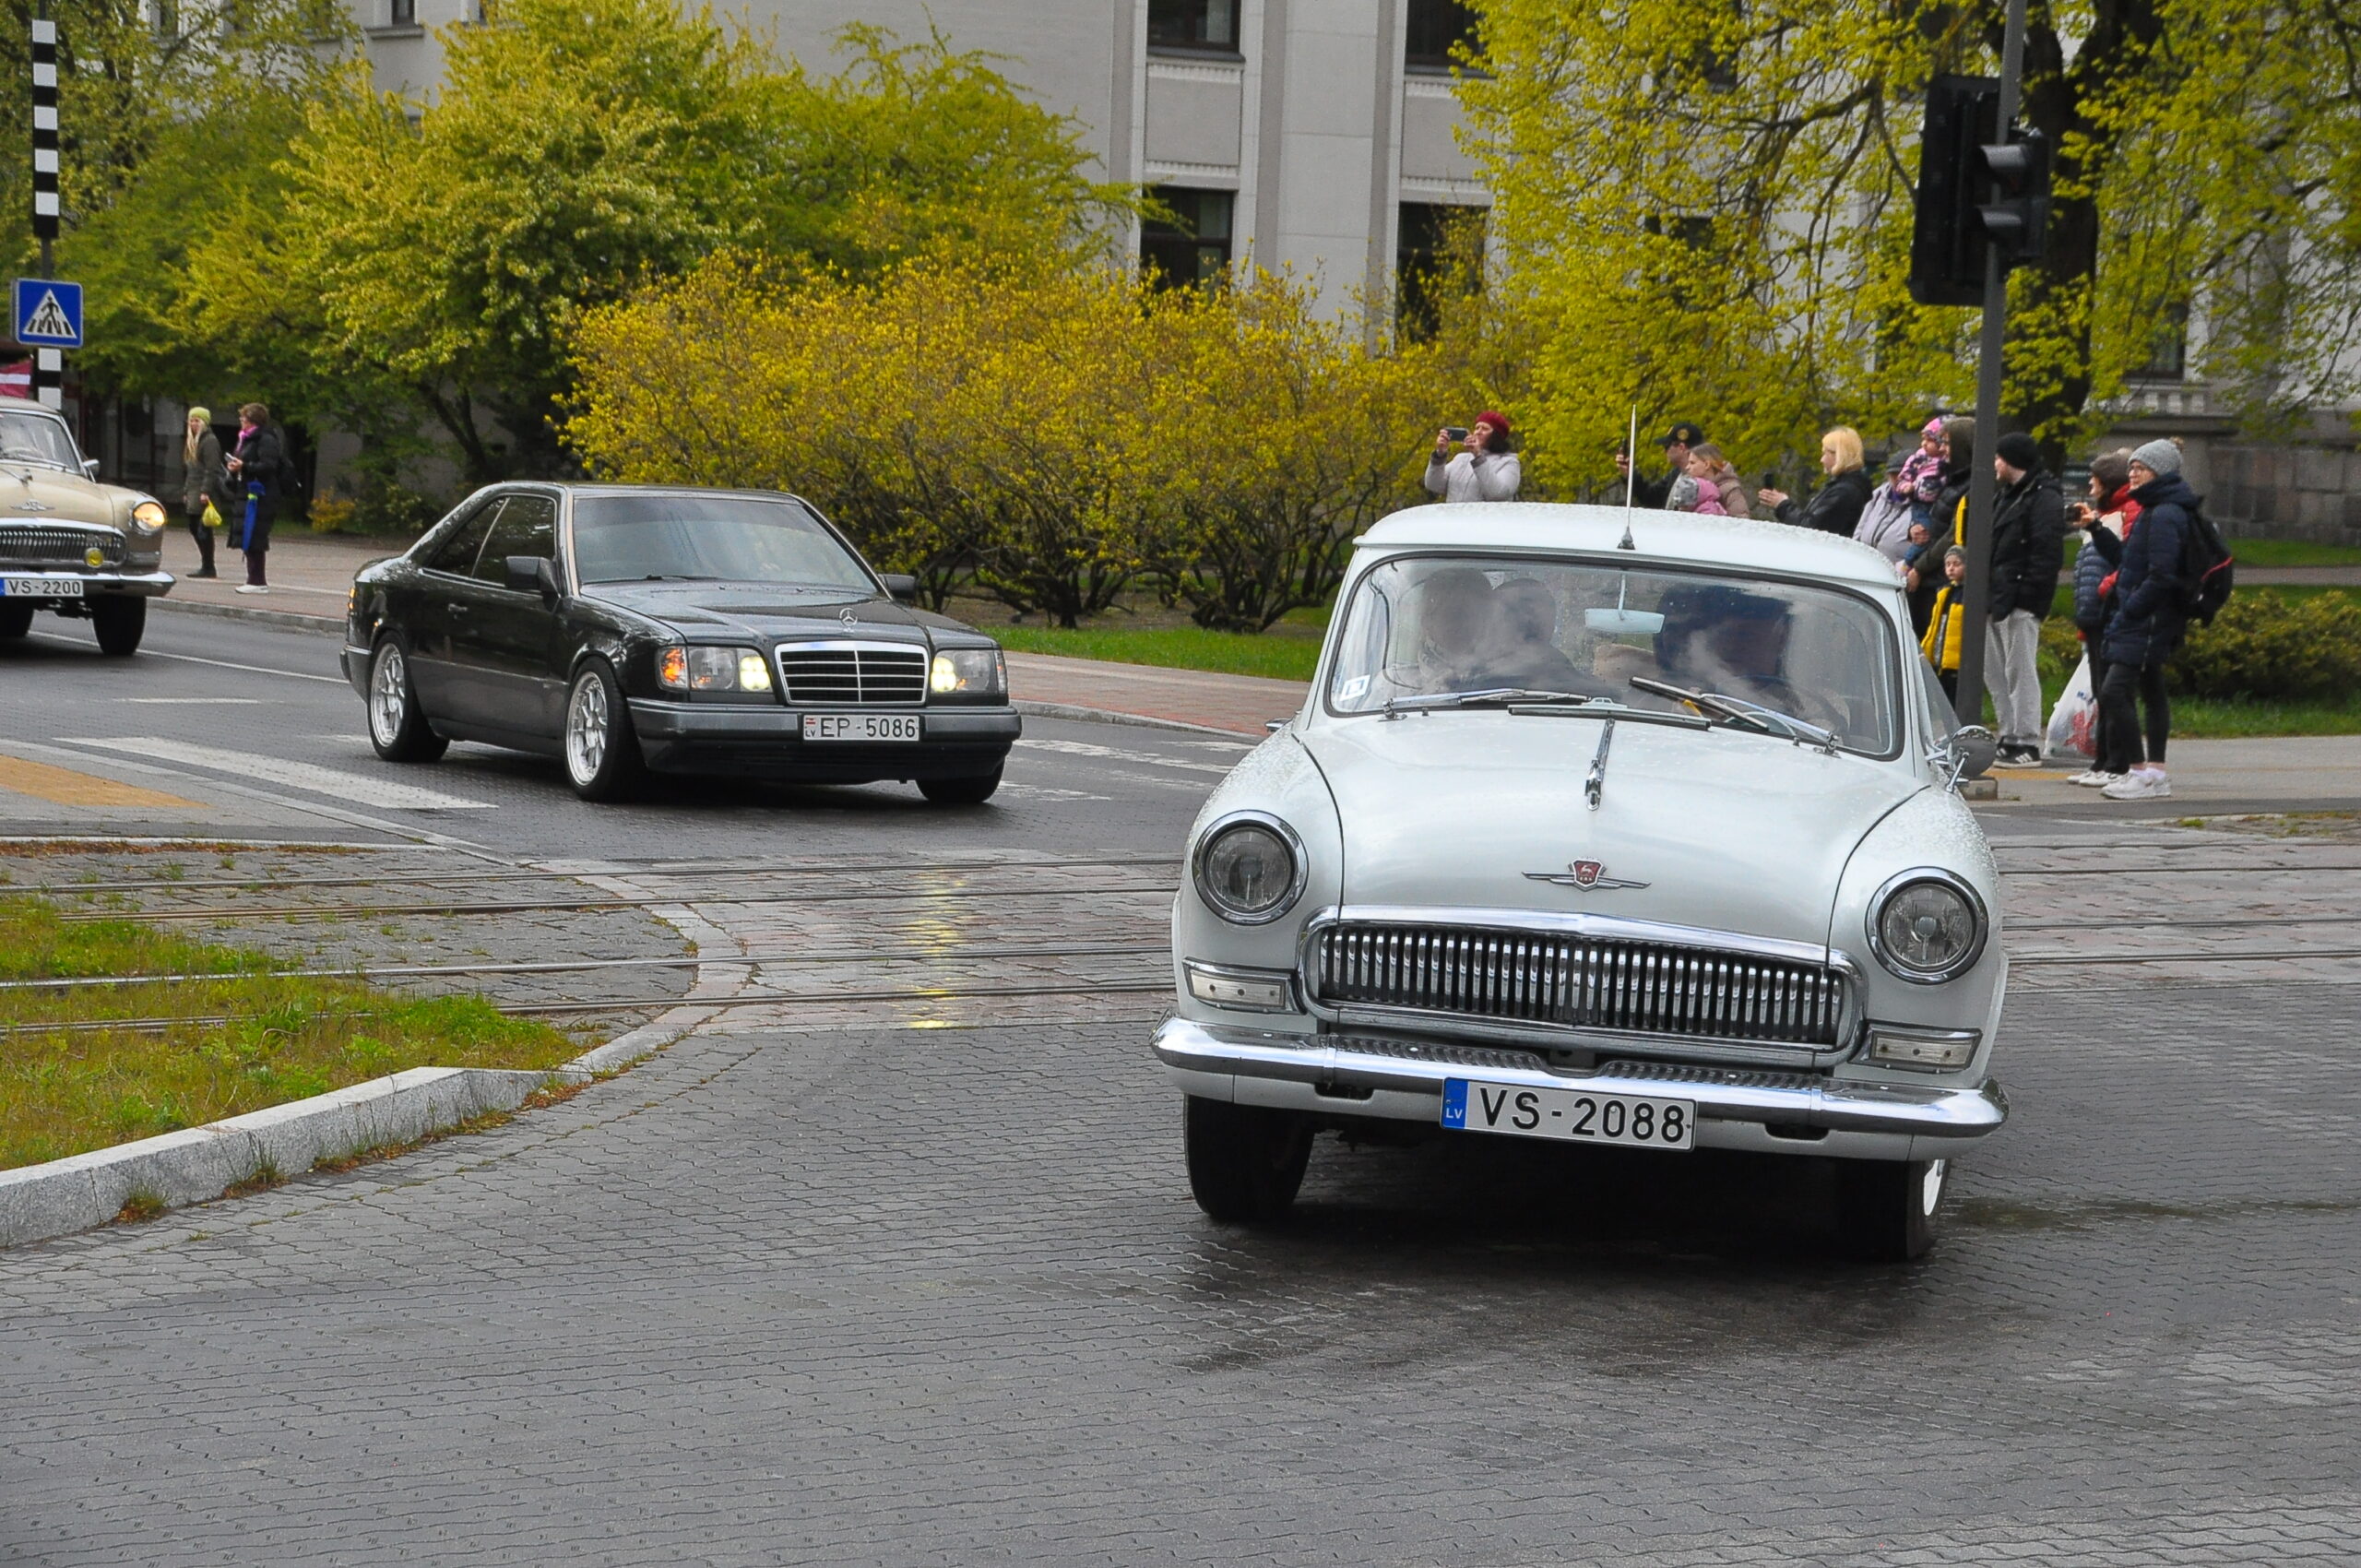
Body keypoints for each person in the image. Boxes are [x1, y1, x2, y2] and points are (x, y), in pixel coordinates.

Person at [2097, 440, 2197, 801]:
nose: (2133, 474)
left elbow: (2161, 573)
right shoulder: (2154, 508)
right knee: (2152, 690)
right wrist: (2096, 530)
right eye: (2132, 467)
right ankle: (2155, 772)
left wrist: (2132, 609)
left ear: (2160, 471)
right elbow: (2130, 561)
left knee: (2113, 691)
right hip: (2146, 615)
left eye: (2140, 468)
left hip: (2148, 618)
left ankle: (2141, 772)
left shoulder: (2165, 513)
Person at [1983, 431, 2068, 767]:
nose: (1994, 464)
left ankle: (2027, 740)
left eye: (1998, 458)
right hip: (1998, 595)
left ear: (2011, 460)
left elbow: (2046, 552)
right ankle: (2008, 734)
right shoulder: (2007, 496)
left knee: (2019, 670)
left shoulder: (2042, 498)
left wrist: (2029, 598)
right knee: (1996, 672)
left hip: (2020, 597)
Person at [2065, 450, 2139, 787]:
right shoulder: (2103, 517)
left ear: (2108, 483)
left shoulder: (2123, 515)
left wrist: (2103, 592)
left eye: (2095, 479)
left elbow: (2122, 561)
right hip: (2096, 613)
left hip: (2110, 612)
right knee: (2100, 689)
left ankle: (2117, 762)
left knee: (2112, 691)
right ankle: (2102, 760)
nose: (2090, 484)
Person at [1908, 418, 1975, 636]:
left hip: (1942, 576)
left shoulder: (1970, 486)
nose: (1942, 449)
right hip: (1935, 573)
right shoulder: (1952, 481)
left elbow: (1952, 535)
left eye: (1946, 443)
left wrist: (1920, 566)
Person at [1761, 427, 1872, 536]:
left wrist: (1783, 505)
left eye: (1825, 453)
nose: (1821, 460)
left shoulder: (1844, 491)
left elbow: (1812, 529)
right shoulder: (1847, 487)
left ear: (1838, 455)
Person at [224, 402, 286, 594]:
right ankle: (253, 578)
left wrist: (244, 466)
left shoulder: (265, 439)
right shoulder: (246, 439)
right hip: (246, 491)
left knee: (255, 534)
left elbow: (269, 466)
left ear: (253, 421)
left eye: (244, 418)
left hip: (260, 494)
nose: (241, 421)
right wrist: (235, 469)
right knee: (247, 534)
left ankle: (257, 580)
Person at [1424, 411, 1521, 503]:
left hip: (1486, 516)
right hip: (1454, 515)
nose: (1478, 432)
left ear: (1496, 435)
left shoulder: (1509, 462)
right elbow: (1433, 485)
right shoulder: (1461, 459)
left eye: (1485, 429)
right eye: (1477, 428)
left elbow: (1499, 494)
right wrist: (1440, 455)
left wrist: (1478, 457)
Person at [178, 406, 229, 580]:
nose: (193, 424)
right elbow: (190, 469)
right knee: (194, 526)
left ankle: (208, 566)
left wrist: (205, 490)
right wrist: (186, 490)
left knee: (203, 528)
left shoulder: (209, 441)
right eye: (191, 420)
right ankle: (206, 564)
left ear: (204, 422)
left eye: (197, 421)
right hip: (193, 488)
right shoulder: (193, 441)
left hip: (203, 489)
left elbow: (211, 468)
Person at [1613, 422, 1703, 508]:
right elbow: (1651, 498)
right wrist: (1630, 474)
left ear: (1681, 448)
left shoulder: (1704, 479)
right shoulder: (1676, 474)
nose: (1664, 451)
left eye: (1666, 446)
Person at [1919, 544, 1967, 702]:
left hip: (1956, 662)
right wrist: (1926, 649)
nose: (1951, 568)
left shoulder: (1968, 594)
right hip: (1941, 658)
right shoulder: (1943, 593)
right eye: (1948, 564)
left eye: (1956, 564)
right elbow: (1934, 626)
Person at [1683, 443, 1750, 518]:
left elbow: (1741, 519)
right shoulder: (1692, 489)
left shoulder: (1730, 489)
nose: (1687, 467)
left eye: (1692, 463)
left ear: (1706, 464)